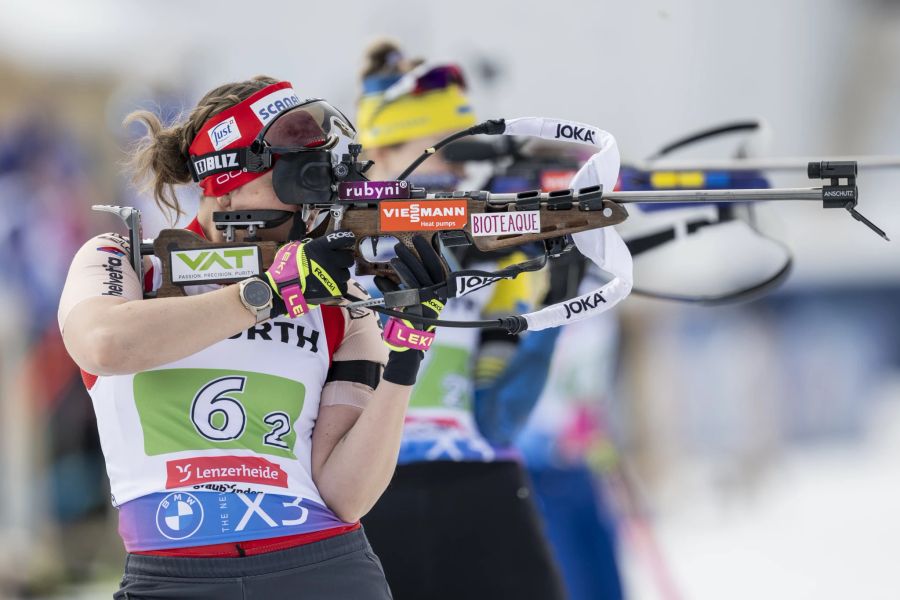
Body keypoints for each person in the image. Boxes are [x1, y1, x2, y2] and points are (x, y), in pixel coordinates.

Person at [58, 75, 447, 599]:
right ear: (229, 179)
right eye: (299, 176)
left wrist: (408, 352)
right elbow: (102, 343)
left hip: (322, 567)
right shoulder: (127, 260)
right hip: (171, 579)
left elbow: (344, 494)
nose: (316, 195)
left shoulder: (338, 302)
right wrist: (269, 293)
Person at [354, 40, 567, 600]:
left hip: (475, 482)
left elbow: (498, 415)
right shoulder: (329, 240)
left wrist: (560, 283)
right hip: (364, 494)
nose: (459, 169)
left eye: (469, 156)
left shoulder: (475, 239)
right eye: (445, 151)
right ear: (383, 150)